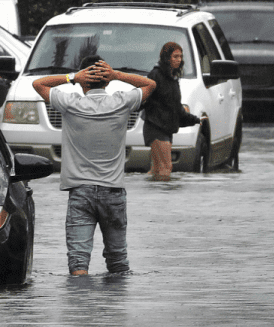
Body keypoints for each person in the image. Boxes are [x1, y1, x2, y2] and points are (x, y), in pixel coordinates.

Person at [32, 55, 156, 276]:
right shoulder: (121, 102)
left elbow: (38, 84)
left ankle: (81, 308)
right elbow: (150, 84)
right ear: (107, 81)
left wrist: (72, 77)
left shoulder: (70, 104)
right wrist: (117, 74)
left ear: (83, 80)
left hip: (81, 193)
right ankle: (116, 308)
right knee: (118, 261)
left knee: (78, 262)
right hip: (114, 192)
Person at [143, 42, 201, 181]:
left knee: (157, 170)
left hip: (166, 128)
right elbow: (143, 98)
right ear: (166, 57)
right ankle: (163, 200)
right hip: (155, 127)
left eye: (180, 56)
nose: (178, 59)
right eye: (175, 56)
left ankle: (150, 197)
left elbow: (175, 107)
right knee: (165, 167)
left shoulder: (172, 78)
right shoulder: (155, 75)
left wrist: (194, 119)